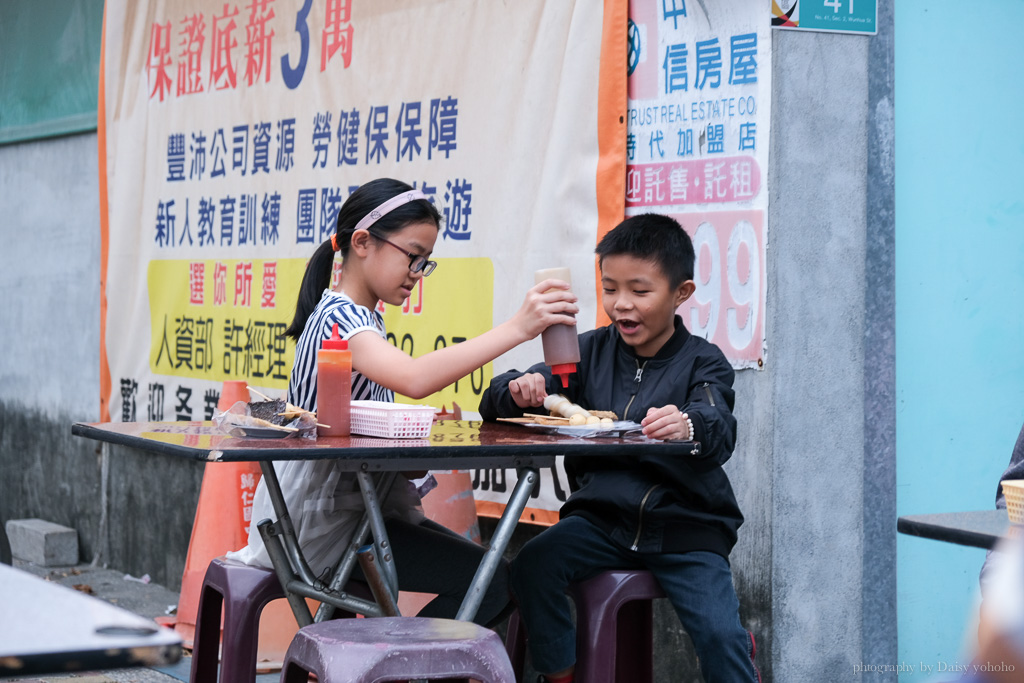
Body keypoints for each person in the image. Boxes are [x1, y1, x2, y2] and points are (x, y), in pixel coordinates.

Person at [228, 177, 578, 626]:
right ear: (362, 242)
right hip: (325, 525)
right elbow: (413, 379)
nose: (417, 272)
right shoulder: (341, 318)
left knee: (482, 579)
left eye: (425, 262)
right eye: (412, 256)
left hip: (341, 514)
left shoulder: (363, 317)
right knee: (492, 582)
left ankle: (375, 662)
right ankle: (407, 664)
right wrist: (519, 327)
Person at [479, 214, 760, 682]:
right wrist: (517, 390)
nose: (621, 304)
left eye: (640, 291)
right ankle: (563, 674)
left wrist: (689, 423)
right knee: (531, 566)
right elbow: (494, 399)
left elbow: (718, 425)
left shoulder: (703, 363)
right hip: (601, 523)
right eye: (610, 289)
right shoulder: (584, 354)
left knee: (719, 635)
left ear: (681, 293)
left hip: (686, 530)